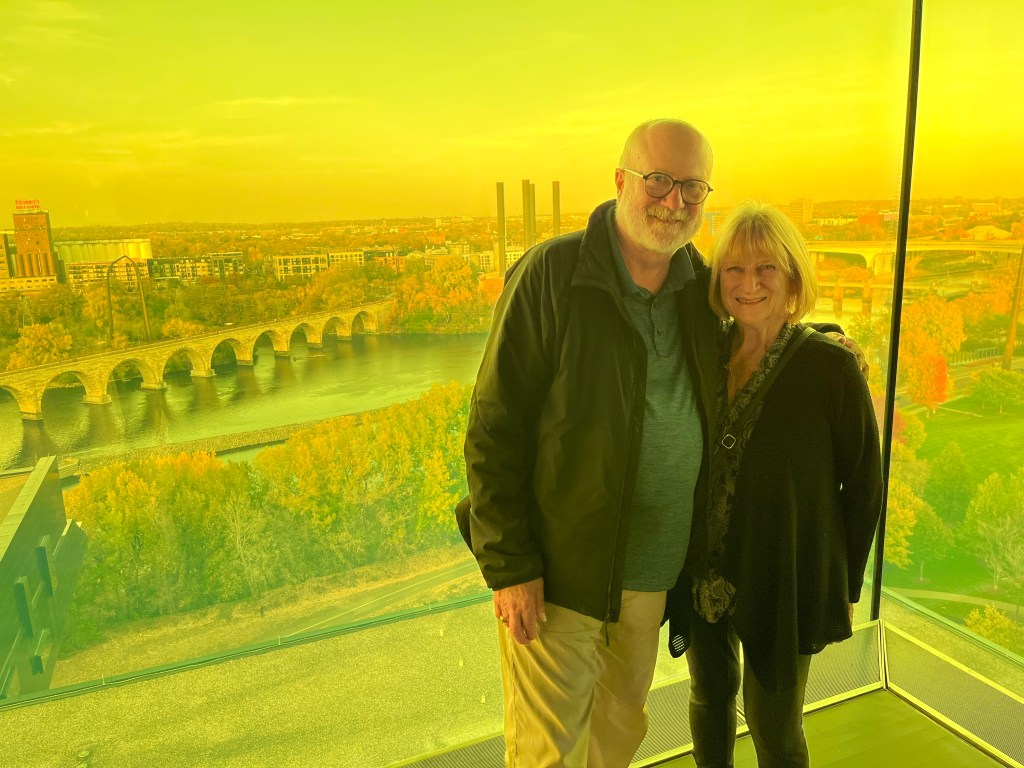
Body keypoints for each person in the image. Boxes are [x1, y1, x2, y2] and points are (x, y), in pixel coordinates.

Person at [464, 119, 857, 768]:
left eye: (693, 187)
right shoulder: (553, 275)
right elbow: (492, 429)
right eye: (659, 181)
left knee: (617, 738)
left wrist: (824, 345)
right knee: (549, 754)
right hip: (561, 579)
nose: (675, 200)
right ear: (621, 180)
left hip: (651, 581)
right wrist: (510, 568)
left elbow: (754, 327)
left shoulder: (696, 289)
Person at [667, 201, 883, 768]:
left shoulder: (831, 368)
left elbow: (865, 484)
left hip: (784, 572)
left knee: (774, 726)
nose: (749, 283)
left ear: (793, 277)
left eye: (766, 267)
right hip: (704, 565)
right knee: (709, 696)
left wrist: (845, 586)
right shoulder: (707, 351)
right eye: (734, 269)